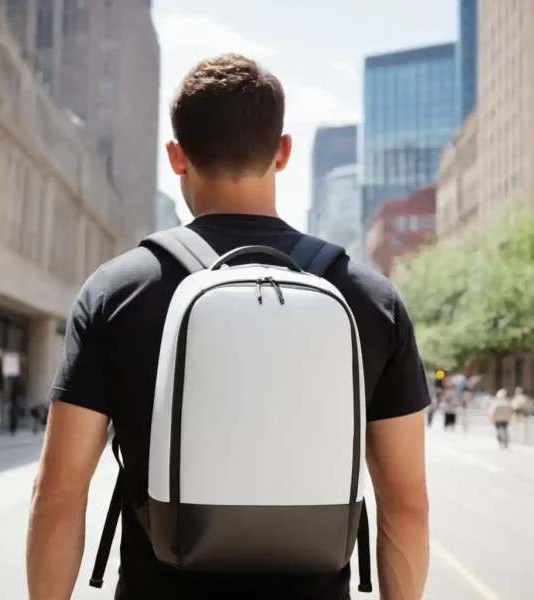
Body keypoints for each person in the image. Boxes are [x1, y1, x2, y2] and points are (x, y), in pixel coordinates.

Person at [26, 54, 430, 600]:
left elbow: (58, 496)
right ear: (282, 152)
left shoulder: (116, 291)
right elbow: (405, 506)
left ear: (176, 156)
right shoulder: (369, 297)